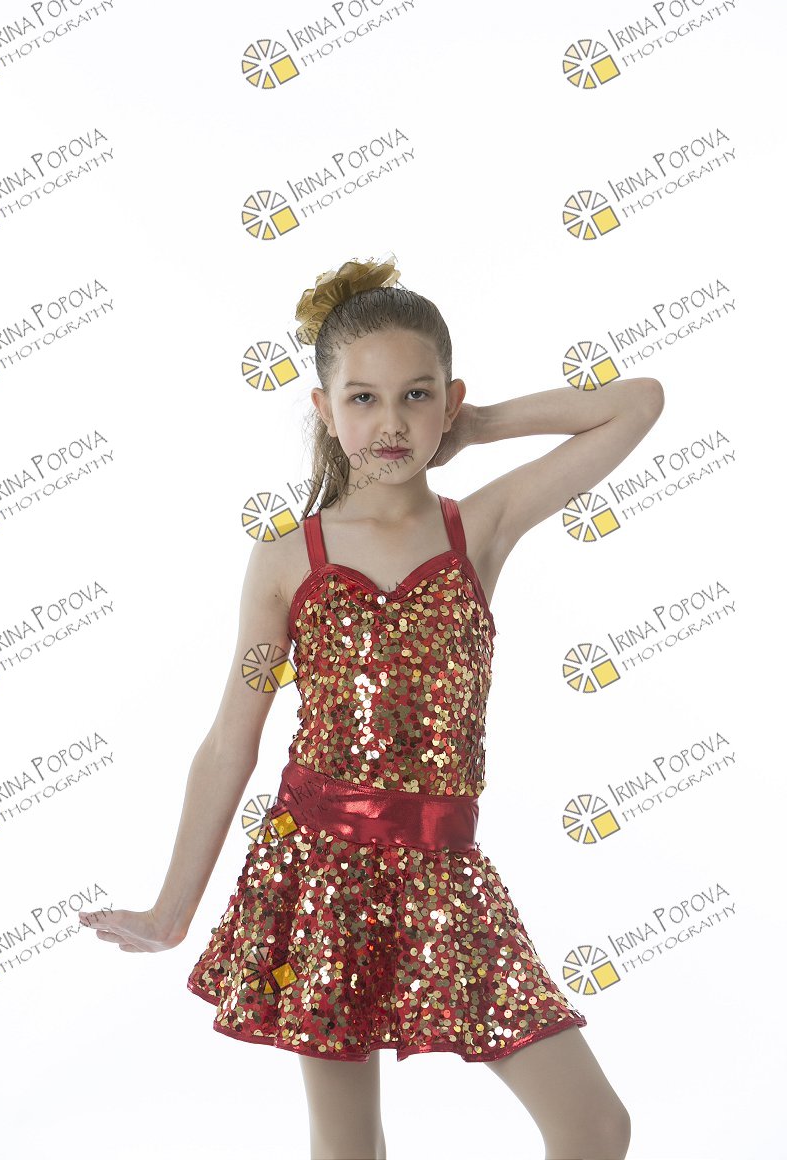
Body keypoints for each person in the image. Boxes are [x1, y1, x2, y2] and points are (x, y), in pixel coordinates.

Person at [80, 253, 663, 1160]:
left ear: (449, 400)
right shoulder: (287, 560)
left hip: (445, 873)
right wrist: (170, 911)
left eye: (416, 397)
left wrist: (482, 426)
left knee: (592, 1124)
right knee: (349, 1147)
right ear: (324, 408)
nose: (391, 423)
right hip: (319, 871)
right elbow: (231, 739)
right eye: (363, 399)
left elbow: (638, 402)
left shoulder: (479, 527)